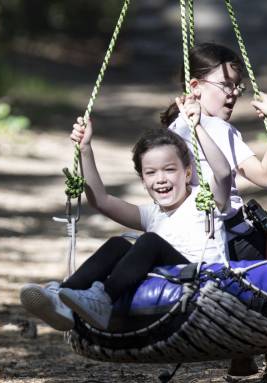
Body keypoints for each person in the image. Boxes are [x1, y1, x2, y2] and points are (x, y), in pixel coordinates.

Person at [19, 106, 232, 331]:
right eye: (151, 173)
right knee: (117, 244)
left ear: (187, 173)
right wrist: (85, 149)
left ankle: (103, 299)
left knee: (149, 241)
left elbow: (224, 173)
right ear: (143, 179)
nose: (160, 179)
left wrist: (197, 127)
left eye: (169, 170)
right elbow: (101, 201)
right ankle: (61, 298)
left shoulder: (206, 200)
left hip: (201, 281)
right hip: (166, 281)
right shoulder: (152, 214)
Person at [161, 42, 267, 262]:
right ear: (195, 86)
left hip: (185, 240)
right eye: (226, 85)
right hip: (227, 241)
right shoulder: (217, 128)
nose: (234, 93)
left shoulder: (175, 127)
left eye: (238, 86)